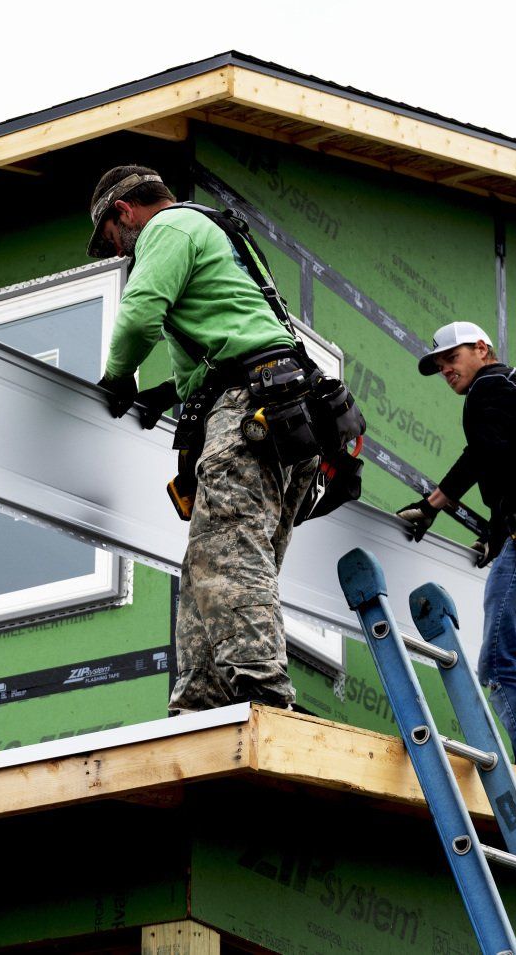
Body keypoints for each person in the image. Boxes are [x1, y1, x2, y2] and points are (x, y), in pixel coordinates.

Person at [86, 165, 319, 714]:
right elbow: (239, 333)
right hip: (289, 413)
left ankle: (262, 689)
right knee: (206, 568)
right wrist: (174, 391)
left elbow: (140, 317)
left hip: (249, 412)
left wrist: (118, 380)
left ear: (124, 212)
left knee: (229, 556)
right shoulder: (218, 232)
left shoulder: (167, 229)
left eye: (113, 240)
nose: (120, 253)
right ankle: (201, 703)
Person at [395, 321, 516, 773]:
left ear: (483, 349)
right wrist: (498, 532)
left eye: (452, 358)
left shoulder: (491, 386)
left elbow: (484, 454)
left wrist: (432, 505)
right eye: (439, 365)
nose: (446, 370)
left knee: (502, 669)